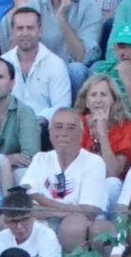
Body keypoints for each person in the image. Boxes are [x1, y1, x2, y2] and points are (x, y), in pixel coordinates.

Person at [17, 106, 107, 248]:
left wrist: (41, 200)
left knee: (73, 225)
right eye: (58, 127)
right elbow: (23, 205)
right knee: (7, 220)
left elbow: (89, 212)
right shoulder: (41, 158)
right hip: (45, 220)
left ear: (81, 133)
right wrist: (63, 212)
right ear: (50, 132)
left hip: (76, 225)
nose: (64, 133)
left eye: (71, 128)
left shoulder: (94, 162)